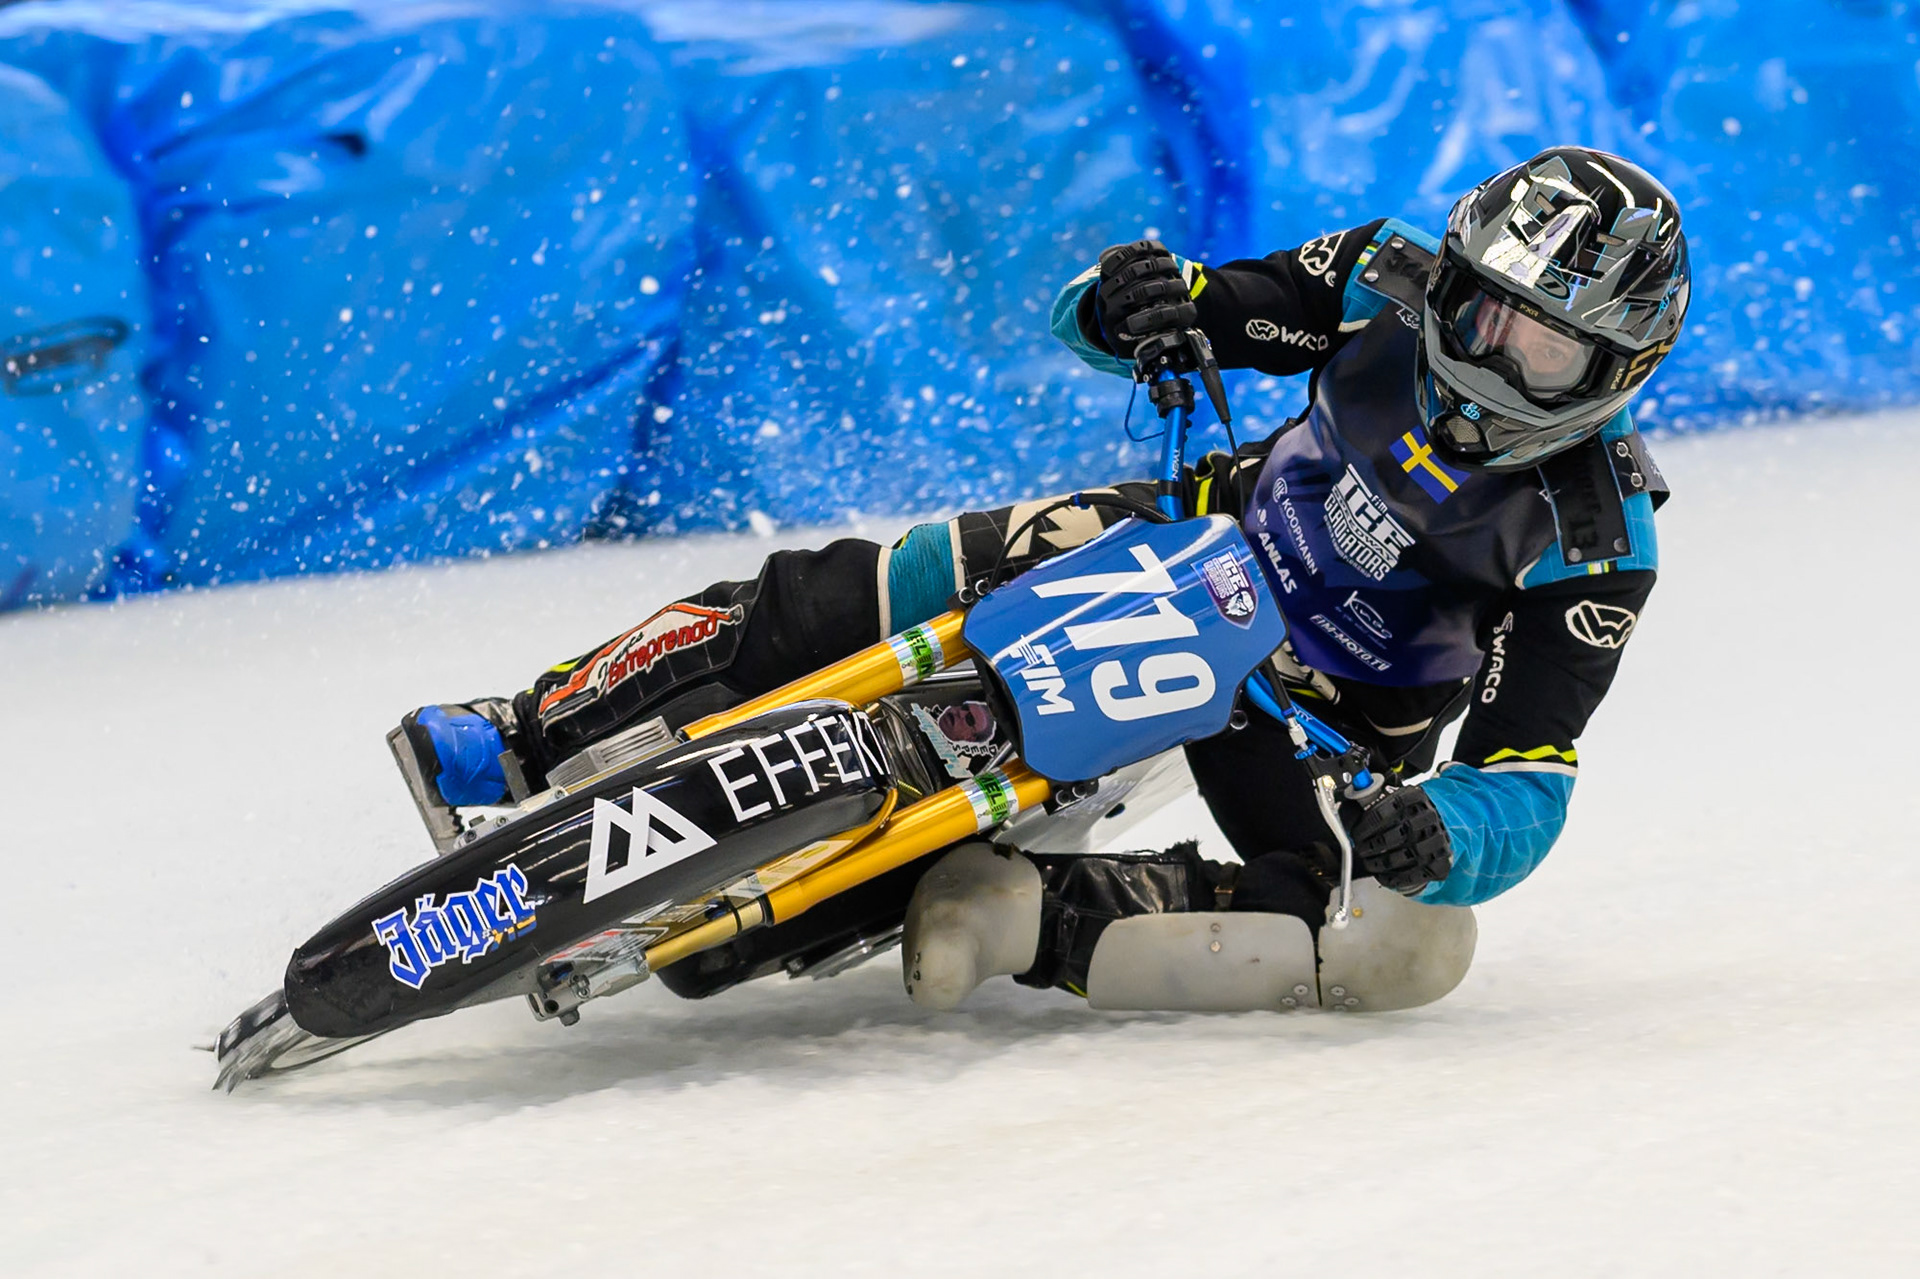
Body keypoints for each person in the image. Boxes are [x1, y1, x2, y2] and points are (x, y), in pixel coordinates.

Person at [390, 146, 1689, 1012]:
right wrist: (1132, 301)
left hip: (1319, 714)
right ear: (1450, 275)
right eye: (1484, 312)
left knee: (1394, 943)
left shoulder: (1599, 534)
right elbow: (1172, 309)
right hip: (1194, 543)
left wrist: (1442, 833)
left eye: (1550, 353)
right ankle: (525, 731)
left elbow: (1528, 777)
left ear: (1623, 372)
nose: (1495, 361)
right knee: (842, 593)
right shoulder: (1383, 277)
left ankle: (1029, 911)